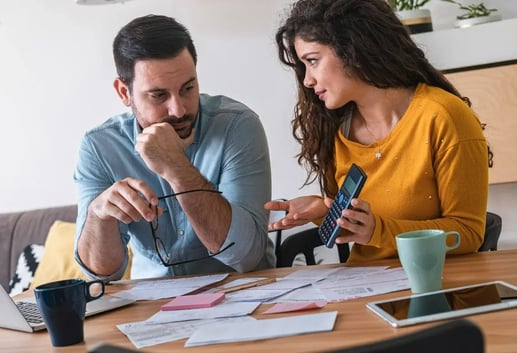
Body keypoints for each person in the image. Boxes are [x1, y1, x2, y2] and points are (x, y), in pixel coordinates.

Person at [265, 0, 489, 263]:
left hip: (433, 287)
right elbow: (361, 230)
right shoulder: (336, 130)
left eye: (312, 61)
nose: (307, 80)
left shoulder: (442, 116)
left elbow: (468, 232)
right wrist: (325, 211)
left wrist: (378, 230)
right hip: (366, 289)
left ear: (353, 48)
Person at [73, 15, 275, 282]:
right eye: (158, 95)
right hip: (151, 305)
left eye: (188, 88)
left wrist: (176, 167)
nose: (178, 110)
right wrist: (99, 216)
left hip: (244, 293)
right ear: (124, 92)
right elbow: (101, 275)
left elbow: (245, 256)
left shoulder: (237, 127)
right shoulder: (99, 147)